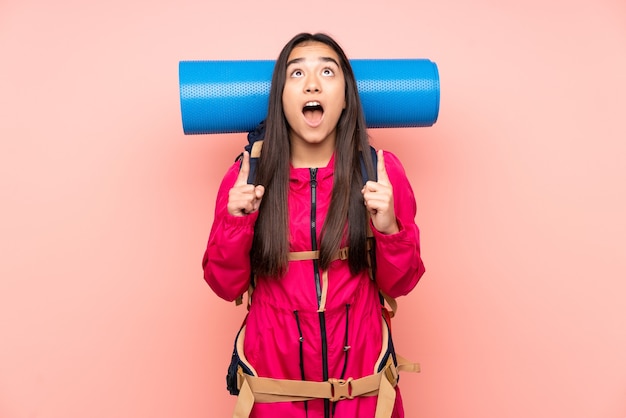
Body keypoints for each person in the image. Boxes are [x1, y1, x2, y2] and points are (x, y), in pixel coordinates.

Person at [202, 32, 425, 418]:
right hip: (275, 399)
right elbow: (224, 286)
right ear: (280, 98)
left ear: (345, 97)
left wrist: (389, 228)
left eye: (327, 71)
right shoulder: (245, 177)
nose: (312, 83)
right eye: (296, 73)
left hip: (365, 398)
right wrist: (235, 223)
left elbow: (400, 284)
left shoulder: (381, 173)